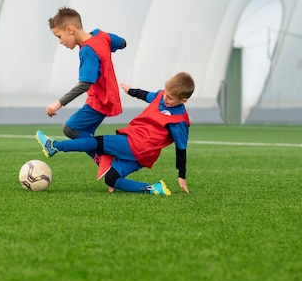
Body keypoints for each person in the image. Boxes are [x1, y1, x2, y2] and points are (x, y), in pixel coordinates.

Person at [36, 72, 194, 196]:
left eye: (170, 98)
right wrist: (130, 90)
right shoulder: (161, 96)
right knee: (110, 179)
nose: (165, 98)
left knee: (97, 142)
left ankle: (54, 146)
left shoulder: (179, 121)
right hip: (142, 155)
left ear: (184, 100)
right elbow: (148, 96)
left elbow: (181, 149)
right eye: (165, 93)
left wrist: (182, 175)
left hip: (136, 143)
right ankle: (153, 189)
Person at [45, 7, 126, 143]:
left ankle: (112, 148)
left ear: (70, 30)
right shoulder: (101, 36)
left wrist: (58, 103)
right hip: (108, 98)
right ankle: (104, 160)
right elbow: (123, 43)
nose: (60, 42)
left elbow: (84, 84)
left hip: (99, 101)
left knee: (70, 129)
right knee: (85, 134)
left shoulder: (87, 50)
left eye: (59, 36)